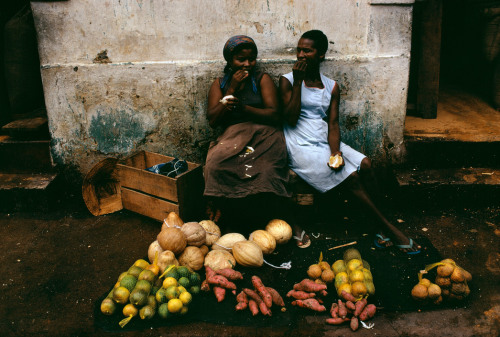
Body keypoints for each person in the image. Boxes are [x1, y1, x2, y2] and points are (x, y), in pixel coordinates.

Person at [280, 30, 421, 254]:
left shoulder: (331, 86)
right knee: (351, 176)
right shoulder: (287, 81)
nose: (301, 55)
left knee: (365, 164)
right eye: (299, 50)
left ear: (321, 55)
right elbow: (289, 118)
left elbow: (333, 124)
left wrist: (335, 153)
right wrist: (298, 83)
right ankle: (389, 228)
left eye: (307, 50)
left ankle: (380, 225)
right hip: (300, 142)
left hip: (323, 138)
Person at [204, 35, 308, 244]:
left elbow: (275, 114)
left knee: (269, 169)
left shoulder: (262, 79)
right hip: (233, 136)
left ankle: (287, 220)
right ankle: (231, 219)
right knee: (215, 165)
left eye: (251, 59)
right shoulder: (219, 84)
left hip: (265, 134)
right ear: (229, 60)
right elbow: (213, 120)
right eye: (240, 60)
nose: (247, 64)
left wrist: (244, 108)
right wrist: (231, 89)